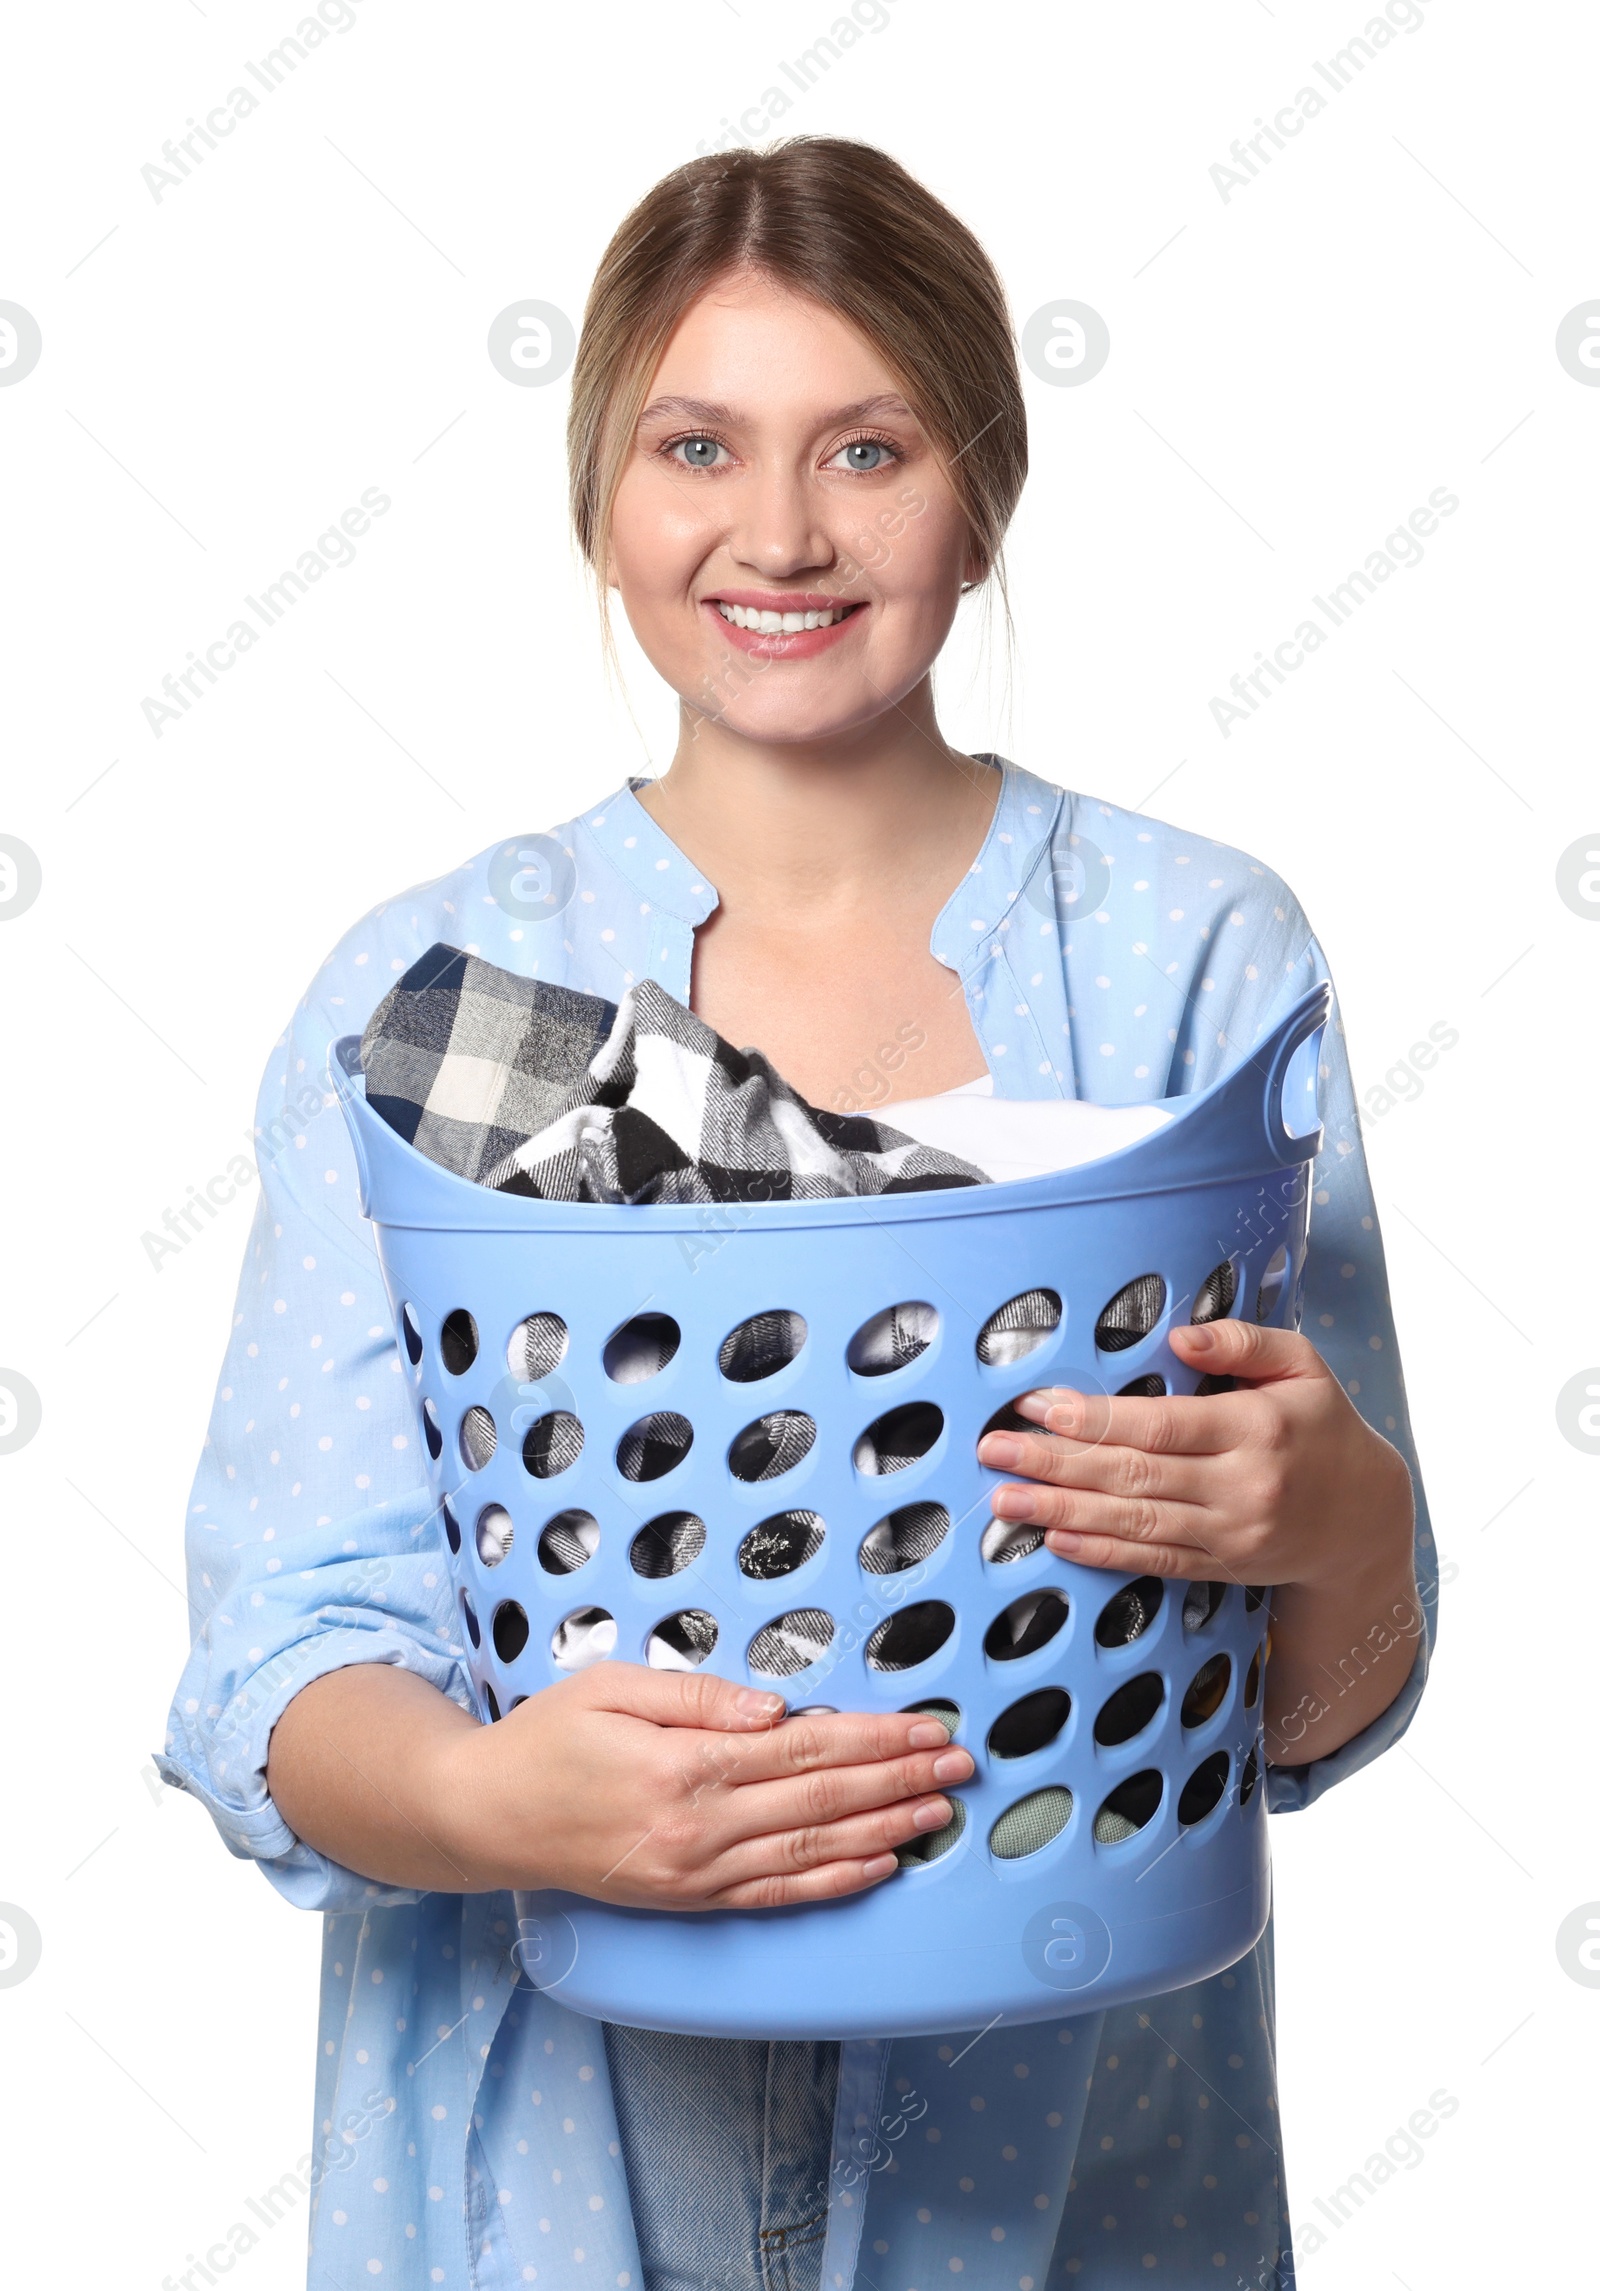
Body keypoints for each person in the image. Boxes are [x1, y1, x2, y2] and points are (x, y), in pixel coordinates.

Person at [158, 136, 1434, 2290]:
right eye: (693, 446)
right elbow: (282, 1662)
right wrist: (491, 1810)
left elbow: (1306, 1709)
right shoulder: (444, 1001)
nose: (776, 532)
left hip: (1061, 2180)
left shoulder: (1187, 962)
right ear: (598, 500)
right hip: (548, 2168)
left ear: (981, 483)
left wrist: (1338, 1525)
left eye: (863, 445)